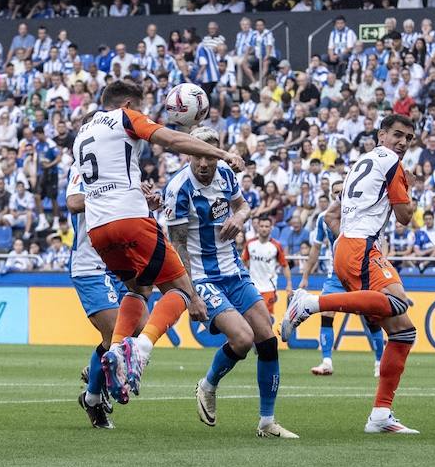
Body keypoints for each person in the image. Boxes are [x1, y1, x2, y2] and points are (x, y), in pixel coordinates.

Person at [79, 80, 244, 424]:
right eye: (138, 107)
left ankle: (116, 350)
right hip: (129, 221)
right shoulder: (124, 117)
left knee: (138, 289)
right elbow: (169, 139)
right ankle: (141, 350)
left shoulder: (83, 132)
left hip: (98, 231)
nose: (141, 113)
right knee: (182, 291)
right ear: (126, 103)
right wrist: (221, 153)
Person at [281, 114, 421, 434]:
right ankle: (311, 304)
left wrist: (344, 238)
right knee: (398, 302)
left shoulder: (361, 162)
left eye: (408, 138)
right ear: (381, 135)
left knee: (403, 332)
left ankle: (381, 415)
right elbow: (404, 217)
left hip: (349, 244)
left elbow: (331, 214)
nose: (402, 142)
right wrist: (409, 186)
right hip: (361, 247)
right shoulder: (392, 164)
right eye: (397, 135)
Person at [165, 128, 297, 439]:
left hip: (234, 271)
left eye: (208, 155)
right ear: (188, 154)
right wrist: (191, 293)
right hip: (202, 276)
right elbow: (178, 246)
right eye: (196, 155)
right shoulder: (179, 188)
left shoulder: (225, 174)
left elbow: (243, 206)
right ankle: (208, 385)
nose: (202, 163)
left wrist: (240, 218)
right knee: (242, 338)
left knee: (266, 337)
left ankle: (267, 422)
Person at [67, 165, 151, 428]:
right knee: (117, 332)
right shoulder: (83, 166)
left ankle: (96, 376)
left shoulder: (122, 164)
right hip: (91, 265)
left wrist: (144, 201)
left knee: (141, 327)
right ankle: (93, 398)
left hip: (121, 261)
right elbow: (74, 202)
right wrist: (116, 193)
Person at [297, 180, 386, 378]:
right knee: (326, 313)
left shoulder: (360, 215)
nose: (339, 195)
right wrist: (305, 276)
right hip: (336, 275)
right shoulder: (323, 219)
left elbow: (382, 242)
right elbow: (316, 248)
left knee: (372, 318)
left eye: (342, 191)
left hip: (360, 273)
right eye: (336, 192)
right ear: (332, 196)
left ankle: (380, 362)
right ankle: (326, 361)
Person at [242, 214, 288, 316]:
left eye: (266, 226)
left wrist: (289, 283)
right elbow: (244, 260)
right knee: (252, 316)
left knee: (267, 317)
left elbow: (284, 265)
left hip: (269, 288)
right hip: (253, 287)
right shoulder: (250, 244)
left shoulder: (276, 245)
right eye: (262, 226)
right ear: (258, 227)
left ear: (271, 228)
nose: (264, 229)